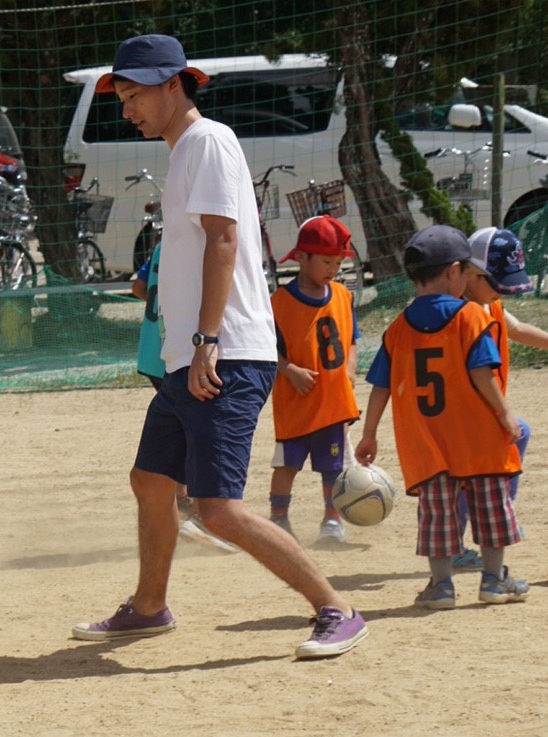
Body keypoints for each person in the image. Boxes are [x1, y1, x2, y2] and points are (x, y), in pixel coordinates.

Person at [72, 34, 366, 660]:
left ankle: (337, 609)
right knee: (151, 481)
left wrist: (207, 340)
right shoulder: (186, 149)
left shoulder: (206, 140)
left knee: (219, 509)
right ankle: (149, 607)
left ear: (173, 84)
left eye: (134, 94)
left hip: (223, 354)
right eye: (120, 97)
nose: (127, 109)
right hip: (192, 357)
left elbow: (223, 241)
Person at [355, 226, 527, 609]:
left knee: (437, 515)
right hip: (478, 437)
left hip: (426, 441)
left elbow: (381, 386)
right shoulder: (472, 317)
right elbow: (482, 372)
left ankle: (442, 586)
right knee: (490, 505)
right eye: (466, 271)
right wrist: (504, 412)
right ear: (453, 271)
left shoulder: (397, 329)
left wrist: (369, 435)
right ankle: (493, 581)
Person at [449, 226, 548, 570]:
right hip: (464, 413)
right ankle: (458, 543)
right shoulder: (458, 312)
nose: (502, 291)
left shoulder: (488, 303)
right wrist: (501, 411)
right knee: (462, 477)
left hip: (485, 409)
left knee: (517, 436)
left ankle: (496, 515)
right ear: (468, 272)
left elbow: (517, 329)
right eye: (496, 282)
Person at [131, 241, 235, 553]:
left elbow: (138, 287)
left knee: (178, 429)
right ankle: (192, 511)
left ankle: (182, 504)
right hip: (176, 356)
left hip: (152, 351)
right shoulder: (195, 246)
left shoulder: (161, 247)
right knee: (194, 432)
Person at [266, 215, 361, 545]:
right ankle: (278, 519)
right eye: (325, 261)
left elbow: (352, 340)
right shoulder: (278, 304)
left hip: (332, 403)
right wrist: (289, 369)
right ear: (301, 258)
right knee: (286, 465)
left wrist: (350, 369)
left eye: (338, 262)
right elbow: (265, 348)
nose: (332, 269)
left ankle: (332, 520)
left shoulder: (343, 296)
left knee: (333, 466)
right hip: (295, 403)